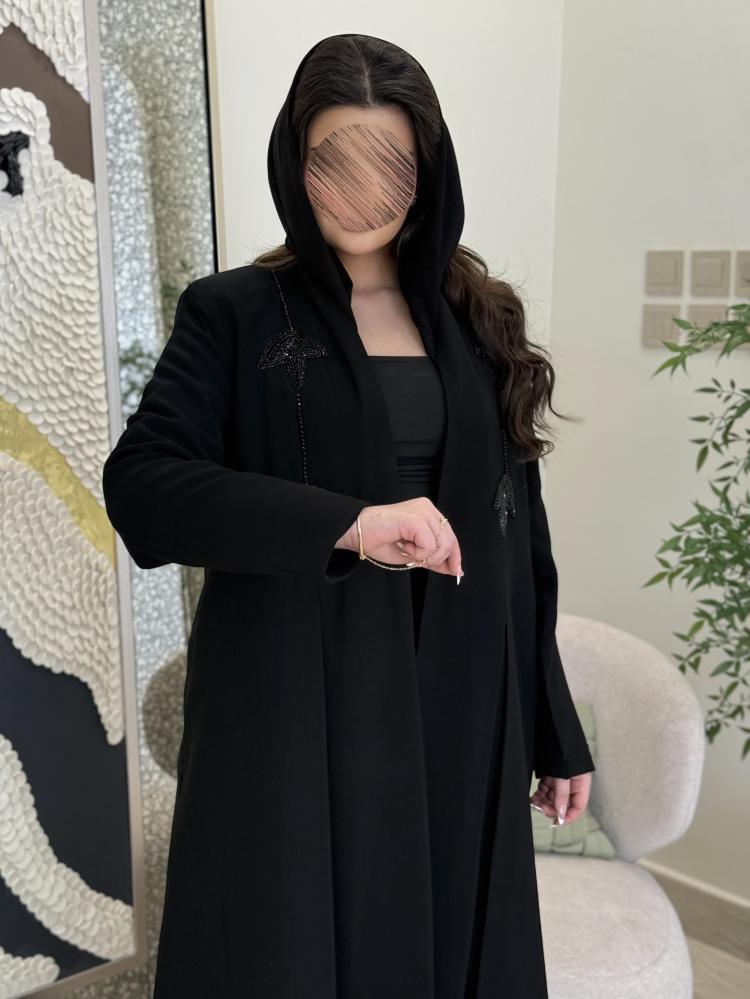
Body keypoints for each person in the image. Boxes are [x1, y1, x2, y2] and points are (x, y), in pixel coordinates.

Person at [102, 32, 595, 999]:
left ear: (430, 169)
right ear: (295, 163)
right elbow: (144, 485)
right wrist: (349, 523)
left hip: (460, 697)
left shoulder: (479, 317)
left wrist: (551, 722)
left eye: (391, 164)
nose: (363, 192)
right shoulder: (234, 314)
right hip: (294, 700)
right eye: (335, 161)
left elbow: (518, 535)